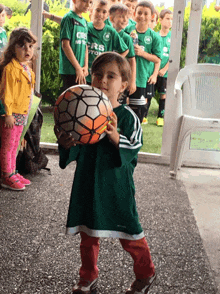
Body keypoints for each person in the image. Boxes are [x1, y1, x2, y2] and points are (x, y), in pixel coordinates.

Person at [54, 52, 156, 294]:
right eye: (98, 74)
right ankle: (88, 276)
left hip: (117, 187)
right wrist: (66, 144)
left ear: (124, 85)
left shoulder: (128, 117)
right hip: (88, 183)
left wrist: (114, 137)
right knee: (88, 235)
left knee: (130, 234)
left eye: (111, 76)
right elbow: (74, 149)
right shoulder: (80, 110)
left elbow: (134, 147)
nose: (102, 80)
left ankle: (146, 272)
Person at [0, 27, 37, 191]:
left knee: (15, 144)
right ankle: (6, 175)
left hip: (22, 114)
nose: (27, 50)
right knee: (8, 146)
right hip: (11, 114)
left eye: (30, 46)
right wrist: (7, 114)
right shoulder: (10, 69)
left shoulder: (27, 69)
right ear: (13, 48)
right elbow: (6, 93)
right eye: (22, 46)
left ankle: (13, 171)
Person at [125, 1, 162, 123]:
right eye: (139, 13)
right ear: (134, 14)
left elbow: (157, 59)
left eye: (146, 14)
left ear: (152, 16)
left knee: (137, 115)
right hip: (123, 77)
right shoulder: (127, 31)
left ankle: (134, 138)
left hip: (140, 80)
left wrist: (142, 53)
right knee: (121, 110)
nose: (142, 16)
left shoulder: (154, 37)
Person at [86, 0, 129, 84]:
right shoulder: (85, 26)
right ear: (91, 10)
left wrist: (111, 64)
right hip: (85, 75)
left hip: (101, 78)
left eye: (104, 12)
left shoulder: (110, 31)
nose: (100, 14)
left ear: (107, 15)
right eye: (98, 10)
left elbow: (125, 50)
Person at [59, 0, 92, 92]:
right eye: (85, 1)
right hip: (70, 70)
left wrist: (85, 66)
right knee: (70, 100)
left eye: (90, 2)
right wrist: (77, 68)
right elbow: (65, 45)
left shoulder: (85, 22)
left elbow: (85, 45)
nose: (88, 5)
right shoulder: (68, 18)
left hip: (81, 70)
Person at [109, 4, 136, 99]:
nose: (125, 20)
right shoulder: (107, 33)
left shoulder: (127, 38)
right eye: (121, 17)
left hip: (120, 75)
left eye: (127, 17)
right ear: (111, 19)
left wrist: (132, 81)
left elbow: (132, 60)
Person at [154, 9, 172, 127]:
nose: (170, 21)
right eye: (167, 18)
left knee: (163, 94)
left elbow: (173, 56)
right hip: (153, 72)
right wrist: (155, 70)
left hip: (164, 73)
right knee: (148, 94)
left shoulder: (173, 37)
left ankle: (160, 117)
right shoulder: (154, 36)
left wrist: (165, 69)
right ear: (160, 20)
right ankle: (144, 116)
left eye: (171, 19)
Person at [142, 9, 159, 125]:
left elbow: (158, 59)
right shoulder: (132, 32)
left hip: (148, 75)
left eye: (153, 21)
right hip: (136, 74)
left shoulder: (155, 37)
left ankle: (144, 116)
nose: (151, 23)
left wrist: (154, 74)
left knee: (146, 98)